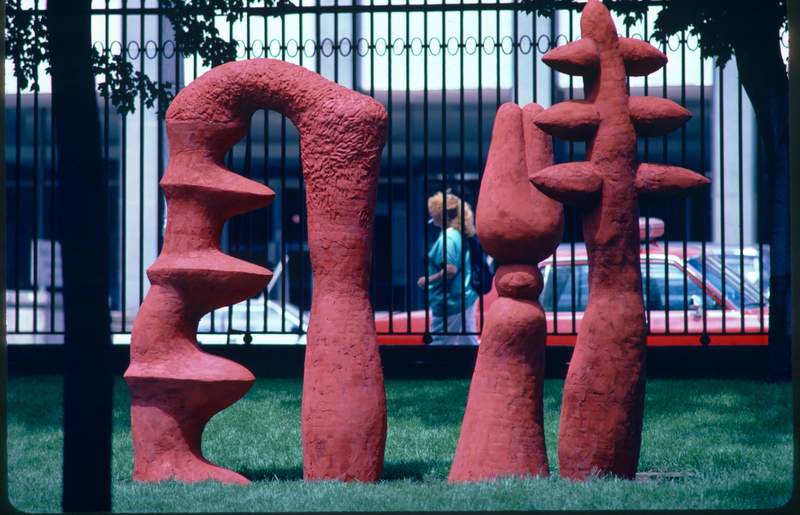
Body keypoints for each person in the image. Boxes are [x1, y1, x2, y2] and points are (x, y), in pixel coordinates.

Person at [417, 191, 479, 345]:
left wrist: (427, 280)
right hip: (465, 297)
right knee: (467, 342)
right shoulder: (459, 234)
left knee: (440, 344)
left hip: (450, 301)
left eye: (433, 211)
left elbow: (450, 270)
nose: (431, 215)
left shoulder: (448, 237)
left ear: (441, 214)